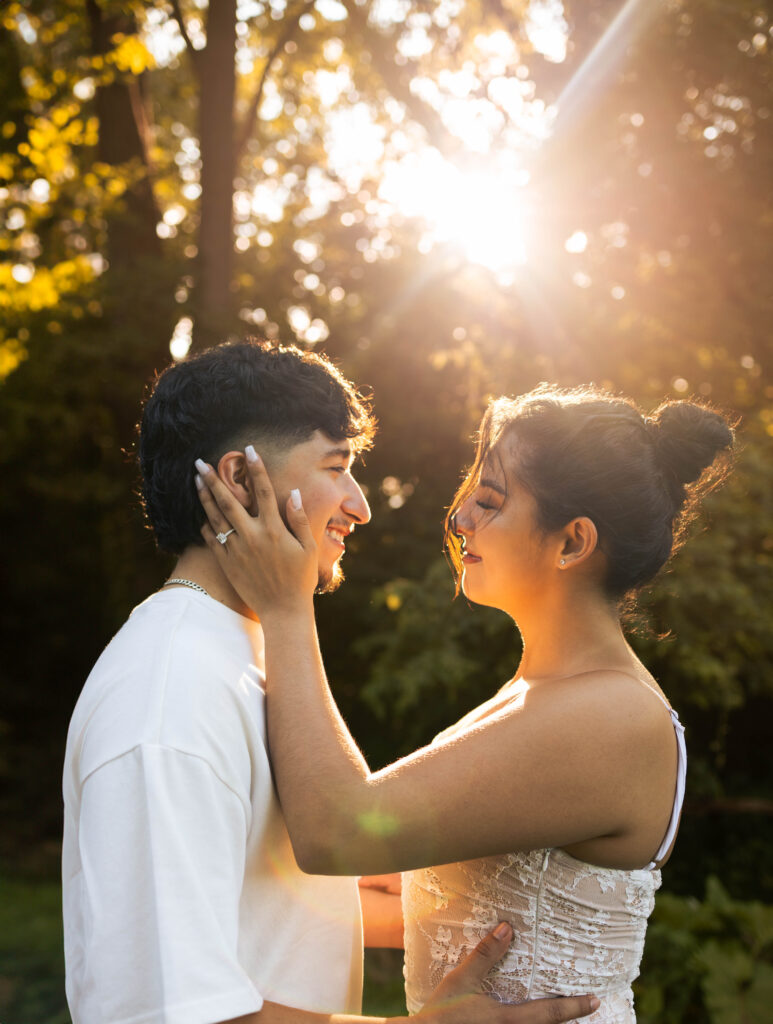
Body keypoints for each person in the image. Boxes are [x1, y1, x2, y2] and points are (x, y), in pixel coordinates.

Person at [61, 341, 600, 1024]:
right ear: (240, 478)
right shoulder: (168, 697)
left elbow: (266, 897)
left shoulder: (248, 651)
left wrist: (492, 910)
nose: (360, 505)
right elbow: (167, 1013)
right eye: (336, 467)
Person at [194, 384, 734, 1022]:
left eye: (491, 502)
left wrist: (286, 608)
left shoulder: (612, 717)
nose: (459, 520)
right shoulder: (534, 697)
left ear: (572, 543)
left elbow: (336, 832)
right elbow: (448, 902)